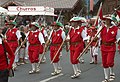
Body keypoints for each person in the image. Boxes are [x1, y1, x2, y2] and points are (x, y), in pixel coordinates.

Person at [99, 16, 120, 82]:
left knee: (109, 62)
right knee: (105, 63)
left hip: (111, 47)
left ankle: (112, 73)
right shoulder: (102, 28)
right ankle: (106, 78)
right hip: (103, 47)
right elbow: (99, 37)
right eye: (106, 20)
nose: (106, 21)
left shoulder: (116, 29)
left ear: (111, 21)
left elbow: (118, 38)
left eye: (108, 20)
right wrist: (97, 40)